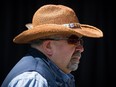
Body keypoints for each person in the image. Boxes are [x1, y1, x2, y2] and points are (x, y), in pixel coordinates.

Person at [1, 4, 103, 87]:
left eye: (80, 41)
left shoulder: (51, 74)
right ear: (48, 46)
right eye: (73, 40)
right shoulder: (35, 80)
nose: (81, 48)